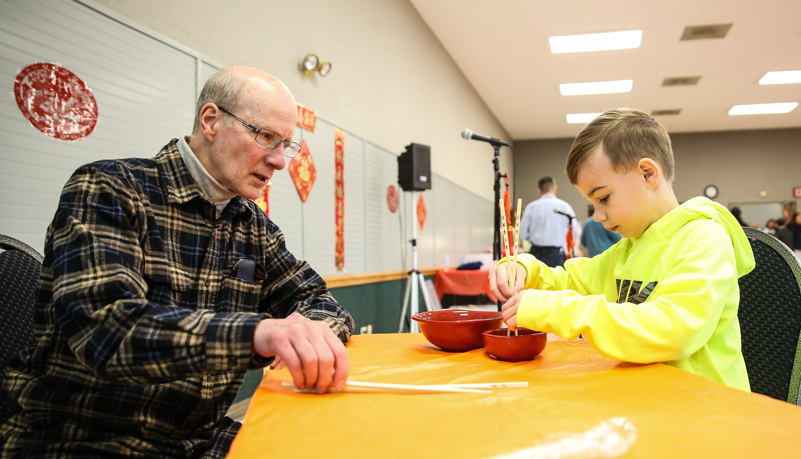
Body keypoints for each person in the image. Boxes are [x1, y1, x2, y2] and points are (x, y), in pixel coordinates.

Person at [1, 66, 354, 457]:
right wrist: (261, 333)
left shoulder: (255, 227)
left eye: (286, 144)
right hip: (84, 436)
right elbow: (105, 330)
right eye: (266, 136)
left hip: (197, 438)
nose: (280, 161)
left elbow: (320, 301)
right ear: (211, 121)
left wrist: (311, 333)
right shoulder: (109, 188)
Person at [489, 108, 755, 390]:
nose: (598, 216)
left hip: (708, 411)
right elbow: (572, 280)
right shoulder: (629, 248)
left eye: (603, 198)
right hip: (647, 400)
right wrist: (524, 268)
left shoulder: (704, 238)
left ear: (647, 173)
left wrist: (560, 310)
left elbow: (673, 330)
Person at [519, 176, 580, 267]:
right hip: (557, 254)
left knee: (536, 281)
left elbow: (522, 233)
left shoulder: (531, 207)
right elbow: (575, 231)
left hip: (536, 253)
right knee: (557, 281)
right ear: (555, 188)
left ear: (539, 190)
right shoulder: (565, 207)